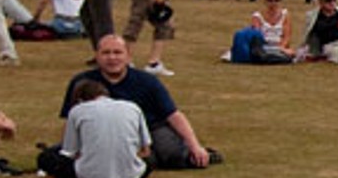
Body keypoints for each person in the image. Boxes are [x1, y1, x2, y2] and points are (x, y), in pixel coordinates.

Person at [60, 36, 219, 169]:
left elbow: (173, 114)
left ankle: (202, 154)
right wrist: (68, 149)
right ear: (97, 56)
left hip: (152, 127)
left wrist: (195, 145)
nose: (112, 58)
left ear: (128, 56)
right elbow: (70, 119)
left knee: (174, 156)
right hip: (105, 131)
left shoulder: (147, 81)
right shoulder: (81, 82)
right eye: (106, 53)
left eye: (117, 52)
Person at [37, 80, 150, 178]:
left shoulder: (77, 111)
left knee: (46, 158)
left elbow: (69, 152)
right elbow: (146, 150)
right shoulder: (133, 107)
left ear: (80, 100)